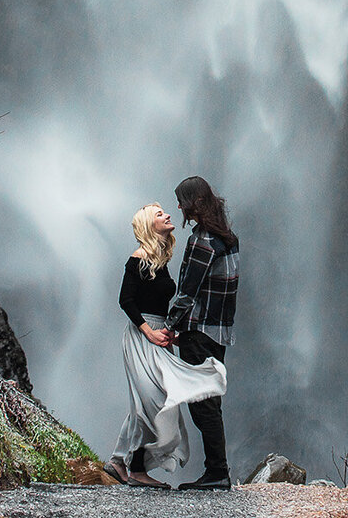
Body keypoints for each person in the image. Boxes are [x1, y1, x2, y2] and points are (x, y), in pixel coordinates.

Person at [104, 203, 227, 489]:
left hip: (160, 333)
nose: (168, 215)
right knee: (152, 401)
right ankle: (132, 468)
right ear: (149, 224)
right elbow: (126, 300)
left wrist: (169, 332)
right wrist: (148, 331)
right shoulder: (138, 258)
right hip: (142, 334)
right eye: (159, 214)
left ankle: (122, 463)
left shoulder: (159, 258)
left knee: (151, 401)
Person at [166, 176, 239, 491]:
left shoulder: (202, 240)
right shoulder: (228, 238)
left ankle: (217, 473)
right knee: (210, 400)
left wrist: (169, 329)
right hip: (219, 333)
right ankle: (217, 471)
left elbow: (187, 292)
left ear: (193, 202)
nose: (178, 207)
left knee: (202, 403)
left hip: (199, 333)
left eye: (180, 200)